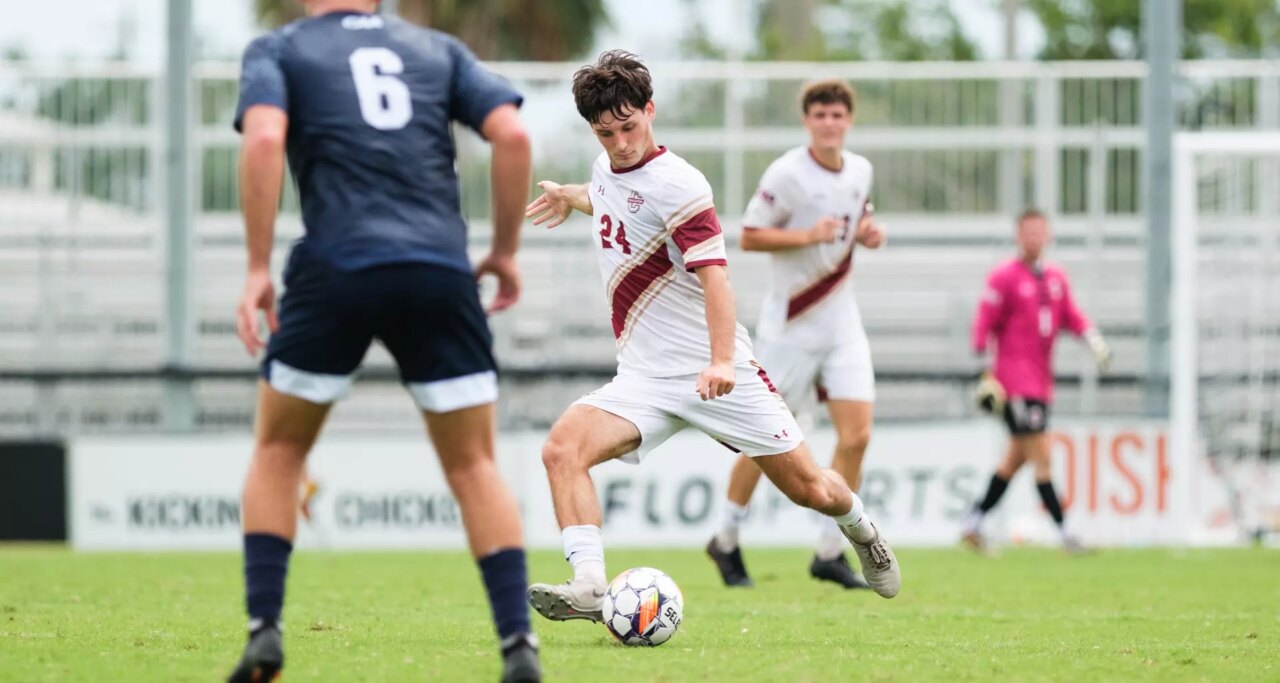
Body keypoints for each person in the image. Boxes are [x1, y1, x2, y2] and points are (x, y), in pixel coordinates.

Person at [522, 50, 901, 625]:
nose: (621, 143)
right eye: (606, 133)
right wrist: (571, 195)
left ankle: (861, 529)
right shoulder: (607, 169)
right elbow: (609, 196)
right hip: (644, 380)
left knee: (810, 489)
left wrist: (722, 360)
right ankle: (590, 585)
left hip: (719, 375)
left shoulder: (680, 184)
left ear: (650, 111)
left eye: (630, 127)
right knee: (561, 450)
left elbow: (717, 276)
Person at [227, 2, 539, 681]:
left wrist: (256, 268)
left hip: (334, 265)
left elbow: (261, 140)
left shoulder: (278, 50)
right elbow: (513, 135)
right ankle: (519, 645)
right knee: (473, 465)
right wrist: (505, 251)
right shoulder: (436, 50)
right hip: (439, 271)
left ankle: (264, 633)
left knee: (280, 449)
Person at [705, 80, 885, 590]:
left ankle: (830, 550)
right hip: (790, 328)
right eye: (820, 114)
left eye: (838, 114)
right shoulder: (787, 174)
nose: (830, 123)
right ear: (807, 121)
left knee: (857, 436)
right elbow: (749, 234)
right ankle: (725, 537)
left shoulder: (861, 170)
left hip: (842, 321)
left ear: (849, 120)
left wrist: (869, 233)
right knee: (764, 441)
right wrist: (806, 235)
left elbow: (859, 219)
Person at [962, 209, 1111, 554]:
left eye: (1039, 232)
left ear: (1048, 236)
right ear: (1018, 236)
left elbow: (1071, 315)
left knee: (1014, 461)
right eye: (1027, 232)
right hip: (1014, 385)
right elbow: (983, 323)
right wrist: (985, 372)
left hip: (1041, 385)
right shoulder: (1003, 278)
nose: (1033, 238)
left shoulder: (1056, 278)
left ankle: (973, 522)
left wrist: (1091, 338)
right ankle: (1068, 533)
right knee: (1042, 458)